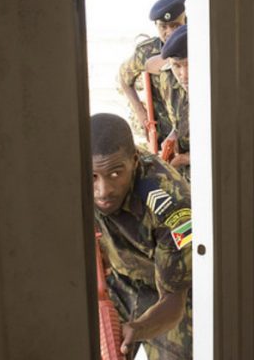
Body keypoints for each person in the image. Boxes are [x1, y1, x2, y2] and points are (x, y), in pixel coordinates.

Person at [90, 113, 192, 360]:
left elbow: (174, 300)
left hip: (166, 290)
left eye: (116, 174)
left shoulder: (173, 207)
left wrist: (137, 329)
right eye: (93, 176)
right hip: (116, 279)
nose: (103, 191)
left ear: (134, 162)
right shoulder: (67, 179)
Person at [118, 0, 187, 144]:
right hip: (163, 137)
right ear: (156, 26)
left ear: (185, 21)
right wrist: (141, 114)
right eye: (163, 26)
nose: (169, 32)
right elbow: (123, 77)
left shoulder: (197, 45)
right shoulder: (147, 52)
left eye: (175, 25)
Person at [157, 25, 190, 181]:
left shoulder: (224, 92)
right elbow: (180, 121)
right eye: (177, 66)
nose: (184, 75)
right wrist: (173, 136)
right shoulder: (169, 81)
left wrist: (187, 159)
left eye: (190, 64)